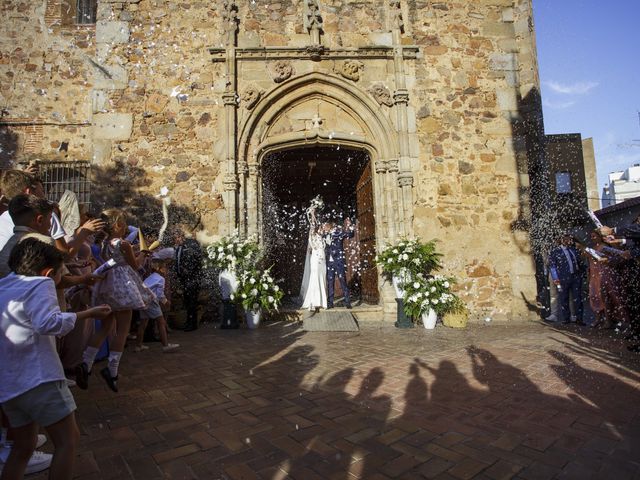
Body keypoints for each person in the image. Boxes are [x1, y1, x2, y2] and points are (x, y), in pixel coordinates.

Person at [0, 238, 110, 480]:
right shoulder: (42, 283)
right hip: (39, 379)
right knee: (68, 440)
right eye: (62, 272)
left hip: (9, 384)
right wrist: (88, 313)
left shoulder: (4, 285)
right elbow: (49, 323)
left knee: (23, 446)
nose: (63, 277)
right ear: (49, 272)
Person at [81, 209, 154, 393]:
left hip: (107, 287)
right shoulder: (123, 243)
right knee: (122, 329)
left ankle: (86, 363)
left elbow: (116, 259)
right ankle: (112, 370)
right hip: (123, 287)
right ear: (118, 225)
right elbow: (135, 265)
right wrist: (144, 253)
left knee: (105, 327)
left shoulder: (106, 243)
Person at [135, 259, 179, 353]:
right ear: (160, 269)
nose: (166, 270)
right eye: (165, 268)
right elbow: (160, 295)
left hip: (142, 300)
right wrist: (166, 302)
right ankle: (166, 345)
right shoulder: (161, 279)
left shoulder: (151, 277)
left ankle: (138, 346)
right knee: (161, 322)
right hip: (151, 301)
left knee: (143, 323)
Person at [548, 234, 584, 325]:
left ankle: (579, 318)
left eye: (569, 239)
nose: (568, 240)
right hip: (563, 278)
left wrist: (581, 274)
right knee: (564, 298)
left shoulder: (574, 250)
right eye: (566, 239)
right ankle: (566, 318)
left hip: (575, 277)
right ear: (561, 240)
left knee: (577, 298)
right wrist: (556, 279)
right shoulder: (555, 252)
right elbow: (552, 267)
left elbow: (580, 262)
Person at [173, 229, 203, 332]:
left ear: (181, 237)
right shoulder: (179, 247)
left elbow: (196, 259)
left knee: (192, 302)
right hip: (184, 280)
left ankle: (192, 324)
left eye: (176, 238)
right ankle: (188, 321)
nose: (175, 240)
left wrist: (188, 270)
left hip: (192, 279)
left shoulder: (191, 245)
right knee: (187, 302)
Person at [299, 205, 328, 311]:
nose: (322, 228)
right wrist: (312, 214)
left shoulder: (322, 238)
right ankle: (312, 302)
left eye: (322, 227)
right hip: (315, 259)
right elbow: (313, 224)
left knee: (322, 278)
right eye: (320, 227)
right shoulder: (313, 235)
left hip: (322, 260)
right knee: (315, 278)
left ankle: (321, 302)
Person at [324, 217, 355, 309]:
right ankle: (330, 303)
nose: (324, 227)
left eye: (325, 225)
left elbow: (350, 234)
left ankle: (347, 302)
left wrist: (350, 226)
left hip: (339, 261)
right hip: (329, 263)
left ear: (330, 226)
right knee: (330, 282)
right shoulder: (325, 235)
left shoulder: (339, 233)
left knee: (343, 281)